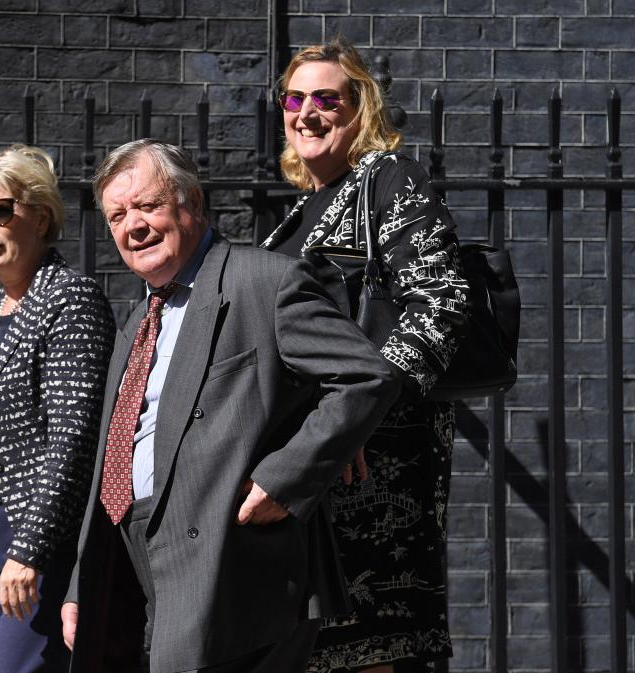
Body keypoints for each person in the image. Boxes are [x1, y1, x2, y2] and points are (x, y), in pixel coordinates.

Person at [60, 139, 402, 673]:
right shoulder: (137, 323)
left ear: (191, 204)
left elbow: (364, 376)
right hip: (138, 563)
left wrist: (285, 481)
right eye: (118, 216)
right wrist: (84, 580)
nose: (133, 227)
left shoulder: (263, 281)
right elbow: (115, 453)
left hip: (234, 566)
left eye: (148, 206)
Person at [260, 40, 470, 673]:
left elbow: (441, 301)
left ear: (362, 108)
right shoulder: (296, 213)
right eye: (295, 99)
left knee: (371, 649)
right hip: (319, 466)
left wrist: (356, 419)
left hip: (377, 468)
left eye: (328, 98)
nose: (307, 113)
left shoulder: (387, 180)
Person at [0, 144, 115, 673]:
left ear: (39, 216)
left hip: (35, 535)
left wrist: (31, 548)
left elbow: (73, 439)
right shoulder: (2, 309)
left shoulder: (71, 300)